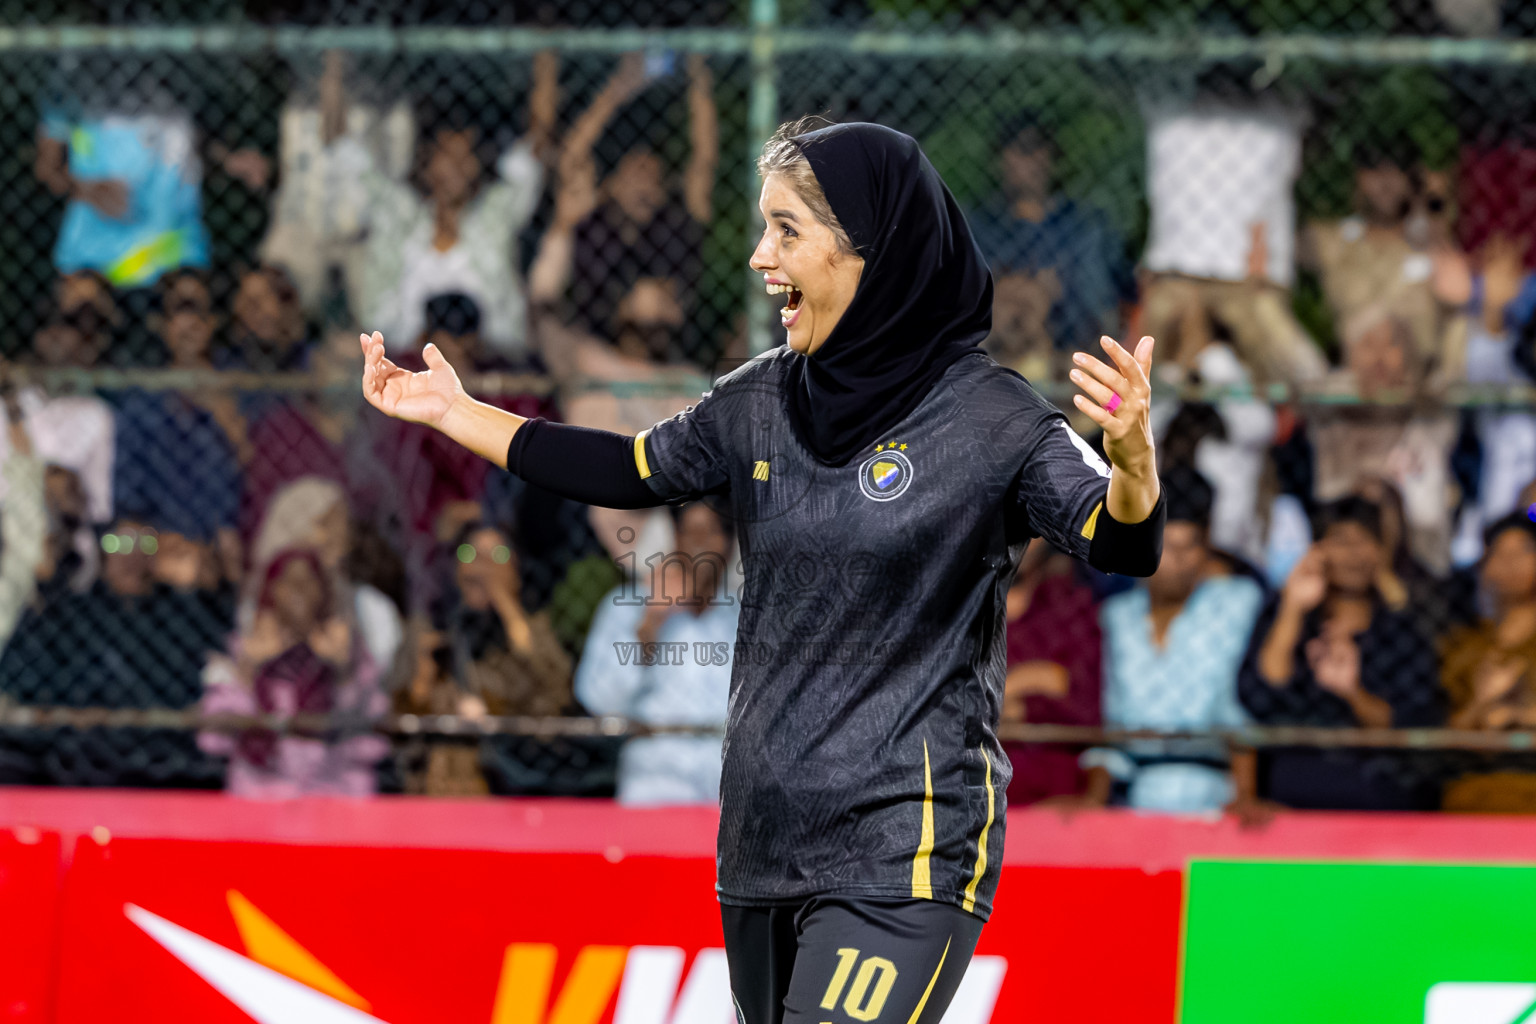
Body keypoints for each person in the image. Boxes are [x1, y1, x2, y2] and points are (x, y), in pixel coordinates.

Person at [358, 117, 1165, 1021]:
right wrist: (458, 412)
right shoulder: (757, 399)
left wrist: (1133, 461)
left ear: (871, 249)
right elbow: (625, 468)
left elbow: (1122, 539)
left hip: (906, 847)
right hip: (761, 844)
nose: (756, 256)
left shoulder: (994, 417)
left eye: (786, 229)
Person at [335, 50, 556, 358]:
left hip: (486, 366)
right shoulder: (399, 214)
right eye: (446, 155)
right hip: (406, 366)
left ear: (478, 167)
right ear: (426, 164)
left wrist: (546, 64)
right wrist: (334, 59)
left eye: (466, 156)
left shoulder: (496, 212)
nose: (457, 166)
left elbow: (536, 147)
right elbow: (342, 149)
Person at [1079, 466, 1268, 816]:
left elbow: (1242, 710)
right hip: (1135, 798)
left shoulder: (1238, 603)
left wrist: (1245, 794)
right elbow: (1111, 721)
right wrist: (1094, 800)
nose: (1179, 561)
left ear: (1207, 549)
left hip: (1219, 795)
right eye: (1166, 545)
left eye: (1190, 547)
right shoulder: (1116, 618)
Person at [1240, 496, 1444, 810]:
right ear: (1316, 550)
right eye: (1341, 541)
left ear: (1382, 551)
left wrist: (1353, 693)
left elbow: (1413, 727)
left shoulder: (1405, 630)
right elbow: (1261, 696)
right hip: (1294, 782)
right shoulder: (1284, 617)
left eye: (1366, 541)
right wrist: (1293, 607)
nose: (1353, 555)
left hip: (1379, 788)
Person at [575, 501, 739, 805]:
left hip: (725, 794)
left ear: (728, 546)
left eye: (712, 533)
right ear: (675, 539)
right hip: (653, 786)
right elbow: (598, 701)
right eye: (692, 533)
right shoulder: (627, 606)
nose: (701, 546)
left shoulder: (744, 617)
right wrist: (649, 625)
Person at [967, 114, 1135, 368]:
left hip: (1066, 327)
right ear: (1002, 159)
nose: (1032, 161)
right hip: (1004, 326)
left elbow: (1113, 290)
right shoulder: (982, 223)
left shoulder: (1081, 223)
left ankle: (1054, 367)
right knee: (1012, 300)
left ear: (1052, 158)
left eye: (1039, 150)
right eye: (1021, 151)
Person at [1440, 512, 1536, 812]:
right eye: (1500, 553)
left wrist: (1518, 716)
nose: (1511, 563)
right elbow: (1449, 738)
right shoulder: (1464, 645)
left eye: (1524, 551)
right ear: (1484, 566)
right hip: (1479, 783)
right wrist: (1482, 703)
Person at [996, 541, 1102, 806]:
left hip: (1056, 807)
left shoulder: (1070, 607)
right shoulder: (956, 613)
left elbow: (1088, 708)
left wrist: (1020, 706)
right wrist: (1028, 682)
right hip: (972, 805)